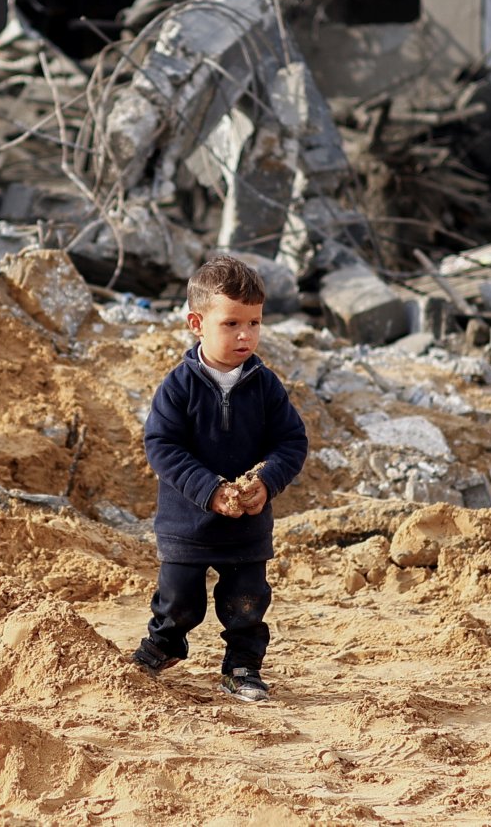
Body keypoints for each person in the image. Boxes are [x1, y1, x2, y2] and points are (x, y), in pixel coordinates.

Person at [131, 254, 309, 702]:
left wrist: (266, 482)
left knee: (247, 603)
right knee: (178, 600)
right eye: (231, 323)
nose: (245, 334)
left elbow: (291, 441)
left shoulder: (266, 386)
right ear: (197, 323)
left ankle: (243, 667)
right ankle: (166, 643)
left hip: (247, 525)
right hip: (186, 523)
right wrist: (209, 491)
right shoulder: (177, 387)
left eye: (254, 322)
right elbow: (162, 448)